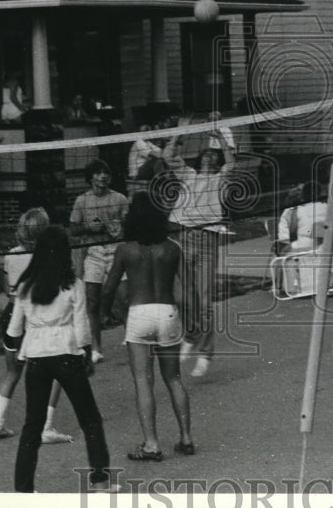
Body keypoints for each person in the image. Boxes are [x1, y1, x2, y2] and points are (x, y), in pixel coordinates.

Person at [6, 226, 113, 493]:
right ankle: (99, 481)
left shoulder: (25, 286)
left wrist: (18, 353)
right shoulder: (72, 284)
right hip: (67, 353)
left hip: (36, 357)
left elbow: (14, 330)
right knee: (90, 419)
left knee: (32, 425)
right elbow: (81, 325)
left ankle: (23, 489)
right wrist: (87, 354)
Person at [101, 161, 195, 461]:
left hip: (139, 314)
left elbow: (109, 287)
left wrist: (107, 312)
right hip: (167, 312)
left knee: (143, 381)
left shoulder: (126, 250)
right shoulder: (172, 248)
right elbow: (189, 290)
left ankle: (152, 444)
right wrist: (192, 320)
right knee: (174, 378)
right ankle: (186, 438)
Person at [0, 208, 72, 444]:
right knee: (55, 371)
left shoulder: (11, 255)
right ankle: (45, 427)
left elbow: (6, 289)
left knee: (13, 371)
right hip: (34, 317)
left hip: (11, 312)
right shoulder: (47, 255)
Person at [164, 131, 235, 378]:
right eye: (204, 154)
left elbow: (232, 164)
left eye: (212, 155)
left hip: (206, 239)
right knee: (181, 297)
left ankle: (205, 354)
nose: (208, 157)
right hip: (184, 238)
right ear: (199, 159)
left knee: (204, 301)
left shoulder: (219, 180)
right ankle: (191, 335)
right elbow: (168, 156)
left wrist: (223, 141)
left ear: (216, 162)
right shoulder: (188, 175)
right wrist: (178, 135)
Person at [69, 159, 130, 364]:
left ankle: (131, 336)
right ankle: (96, 347)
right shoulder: (82, 201)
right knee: (92, 301)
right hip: (93, 252)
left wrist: (119, 227)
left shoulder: (119, 198)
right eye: (98, 173)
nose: (103, 176)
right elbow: (73, 229)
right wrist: (88, 228)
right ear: (91, 178)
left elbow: (129, 225)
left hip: (116, 251)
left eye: (106, 173)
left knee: (124, 298)